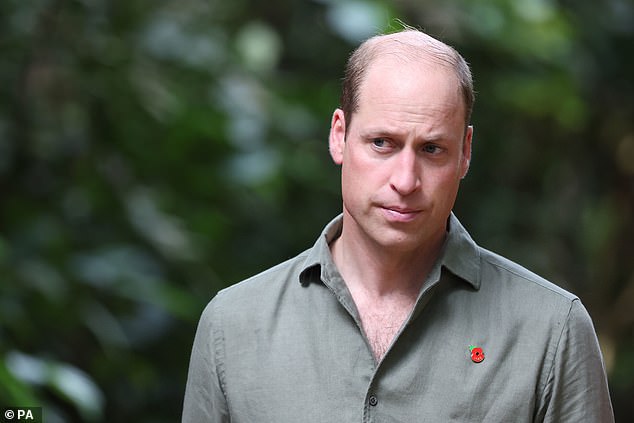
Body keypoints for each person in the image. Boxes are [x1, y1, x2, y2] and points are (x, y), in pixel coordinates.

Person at [182, 27, 614, 422]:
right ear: (339, 135)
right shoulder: (232, 326)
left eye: (431, 149)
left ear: (465, 153)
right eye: (382, 143)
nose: (405, 180)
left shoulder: (550, 330)